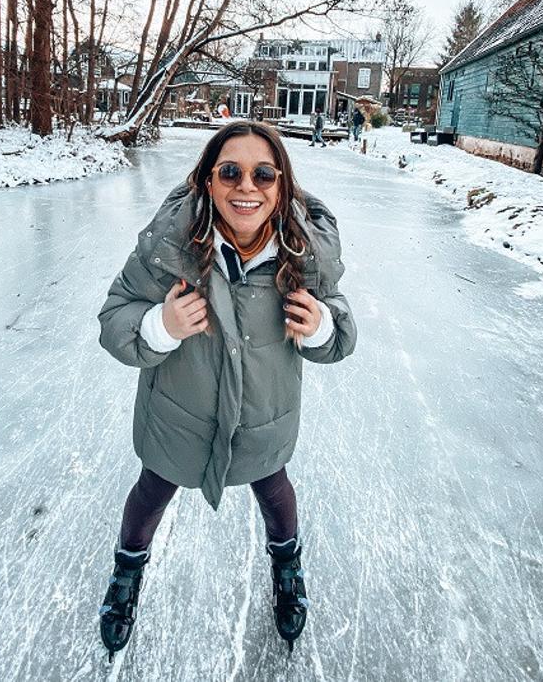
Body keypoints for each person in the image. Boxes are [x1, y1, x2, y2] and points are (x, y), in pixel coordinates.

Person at [96, 121, 357, 657]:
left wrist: (323, 326)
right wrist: (160, 326)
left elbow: (341, 334)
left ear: (282, 184)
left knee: (276, 492)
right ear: (207, 182)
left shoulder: (303, 257)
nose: (247, 188)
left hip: (264, 419)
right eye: (230, 172)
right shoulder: (171, 249)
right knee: (151, 494)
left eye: (264, 174)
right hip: (177, 418)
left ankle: (287, 565)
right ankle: (127, 573)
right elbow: (114, 318)